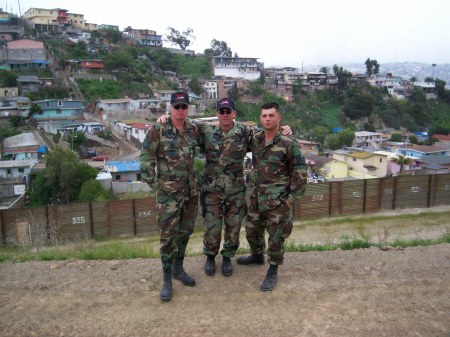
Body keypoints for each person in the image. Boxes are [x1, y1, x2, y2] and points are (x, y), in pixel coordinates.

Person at [157, 98, 292, 278]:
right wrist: (166, 117)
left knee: (233, 227)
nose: (225, 114)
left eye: (229, 111)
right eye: (222, 111)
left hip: (235, 190)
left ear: (234, 114)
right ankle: (210, 257)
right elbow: (184, 125)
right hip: (211, 190)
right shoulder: (205, 130)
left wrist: (284, 129)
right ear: (218, 114)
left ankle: (227, 257)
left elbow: (267, 134)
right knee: (212, 227)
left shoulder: (245, 132)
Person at [236, 101, 308, 292]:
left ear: (279, 118)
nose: (267, 119)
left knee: (276, 239)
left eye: (271, 115)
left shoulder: (289, 143)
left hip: (278, 203)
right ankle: (257, 255)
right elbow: (235, 132)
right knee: (251, 231)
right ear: (261, 118)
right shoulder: (256, 139)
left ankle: (273, 270)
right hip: (256, 200)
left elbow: (300, 177)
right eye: (264, 116)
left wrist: (288, 202)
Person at [140, 91, 199, 301]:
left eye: (184, 106)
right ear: (170, 107)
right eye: (177, 106)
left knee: (185, 232)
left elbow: (223, 129)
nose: (181, 110)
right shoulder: (159, 129)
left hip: (190, 193)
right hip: (169, 196)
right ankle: (166, 279)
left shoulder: (194, 129)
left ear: (188, 108)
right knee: (168, 237)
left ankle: (178, 269)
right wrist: (157, 185)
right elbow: (145, 159)